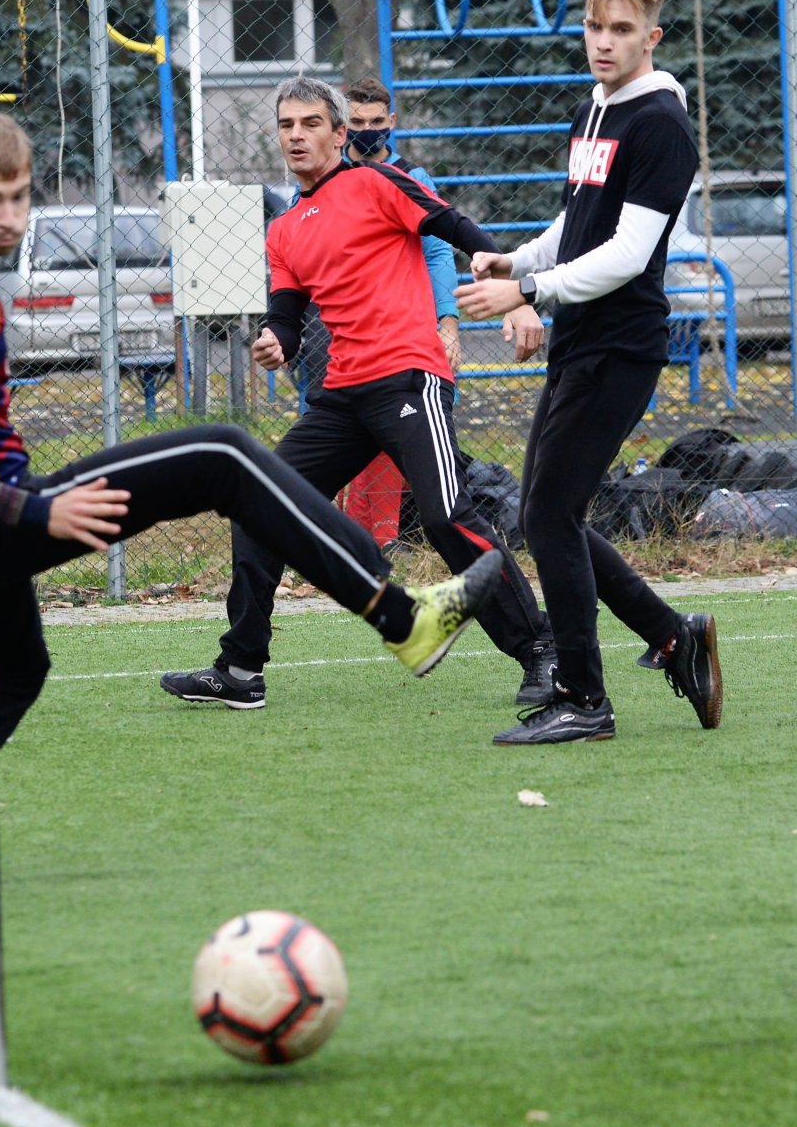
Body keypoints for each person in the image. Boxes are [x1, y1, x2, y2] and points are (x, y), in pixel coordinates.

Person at [0, 110, 502, 887]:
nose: (12, 217)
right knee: (222, 453)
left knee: (19, 670)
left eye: (20, 197)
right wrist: (33, 512)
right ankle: (402, 620)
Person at [159, 76, 555, 714]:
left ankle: (542, 650)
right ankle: (239, 668)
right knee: (257, 498)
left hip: (408, 375)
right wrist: (273, 341)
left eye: (310, 123)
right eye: (287, 125)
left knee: (446, 517)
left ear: (339, 134)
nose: (296, 135)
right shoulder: (285, 229)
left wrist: (517, 293)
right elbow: (287, 317)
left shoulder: (376, 184)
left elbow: (455, 226)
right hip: (341, 396)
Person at [456, 0, 721, 745]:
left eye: (621, 31)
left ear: (652, 37)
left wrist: (529, 293)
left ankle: (585, 699)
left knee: (546, 513)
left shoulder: (662, 124)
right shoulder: (593, 111)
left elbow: (629, 254)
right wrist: (518, 260)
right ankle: (674, 638)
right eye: (594, 28)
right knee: (552, 514)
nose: (604, 43)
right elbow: (576, 231)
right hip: (581, 344)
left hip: (621, 348)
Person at [311, 77, 465, 548]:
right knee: (336, 438)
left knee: (405, 427)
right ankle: (338, 537)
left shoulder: (414, 181)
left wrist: (447, 323)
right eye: (357, 122)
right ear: (341, 127)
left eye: (377, 122)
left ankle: (382, 536)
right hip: (342, 330)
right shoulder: (325, 181)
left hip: (408, 329)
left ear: (391, 122)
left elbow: (439, 255)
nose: (368, 130)